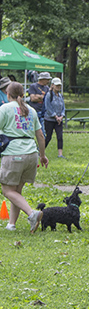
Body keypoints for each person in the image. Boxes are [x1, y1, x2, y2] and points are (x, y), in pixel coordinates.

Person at [0, 82, 47, 233]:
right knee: (17, 190)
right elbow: (40, 135)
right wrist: (43, 155)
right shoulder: (31, 110)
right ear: (22, 94)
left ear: (8, 94)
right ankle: (11, 224)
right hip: (31, 154)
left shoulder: (5, 108)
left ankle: (32, 213)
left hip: (13, 154)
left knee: (7, 191)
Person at [43, 77, 66, 158]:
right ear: (52, 85)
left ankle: (60, 154)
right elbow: (48, 107)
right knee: (48, 137)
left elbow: (63, 107)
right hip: (49, 119)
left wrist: (61, 116)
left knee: (60, 136)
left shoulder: (60, 96)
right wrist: (55, 116)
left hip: (59, 120)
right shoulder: (49, 95)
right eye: (56, 85)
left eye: (59, 85)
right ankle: (41, 151)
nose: (58, 87)